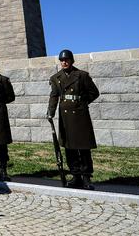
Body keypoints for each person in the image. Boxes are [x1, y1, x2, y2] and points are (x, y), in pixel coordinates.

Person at [46, 49, 100, 190]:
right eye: (62, 60)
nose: (64, 62)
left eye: (67, 60)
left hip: (80, 115)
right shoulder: (56, 78)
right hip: (65, 117)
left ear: (71, 60)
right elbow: (54, 96)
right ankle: (75, 175)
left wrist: (82, 103)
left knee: (83, 147)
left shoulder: (81, 75)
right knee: (69, 147)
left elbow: (94, 92)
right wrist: (50, 112)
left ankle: (86, 176)